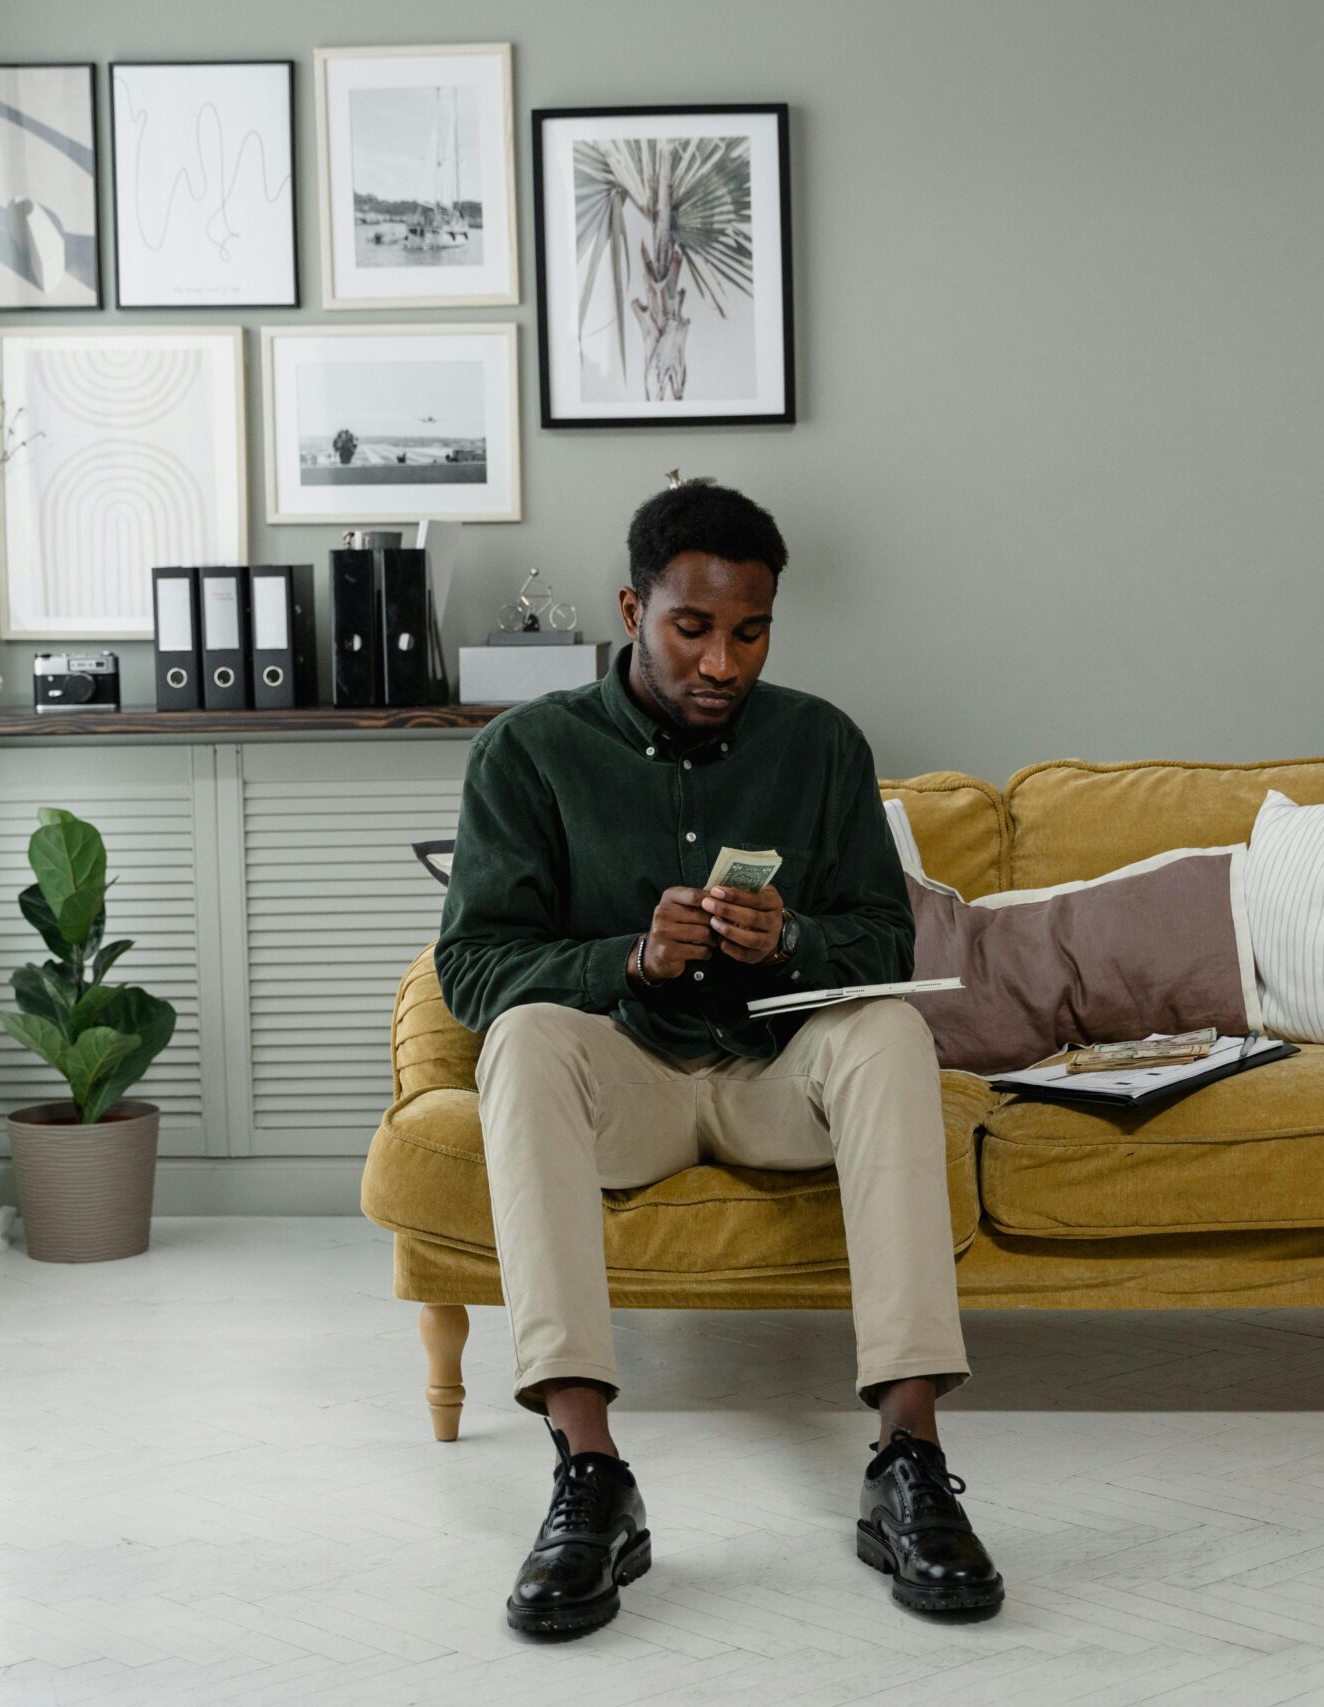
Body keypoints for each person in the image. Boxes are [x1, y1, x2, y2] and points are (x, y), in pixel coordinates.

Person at [435, 479, 1004, 1636]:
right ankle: (590, 1475)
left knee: (891, 1030)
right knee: (527, 1034)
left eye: (750, 633)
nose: (722, 661)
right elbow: (475, 970)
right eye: (691, 628)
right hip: (626, 1083)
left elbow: (884, 944)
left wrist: (790, 935)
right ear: (631, 609)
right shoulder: (525, 754)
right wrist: (623, 963)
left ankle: (906, 1458)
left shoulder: (822, 742)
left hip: (774, 1079)